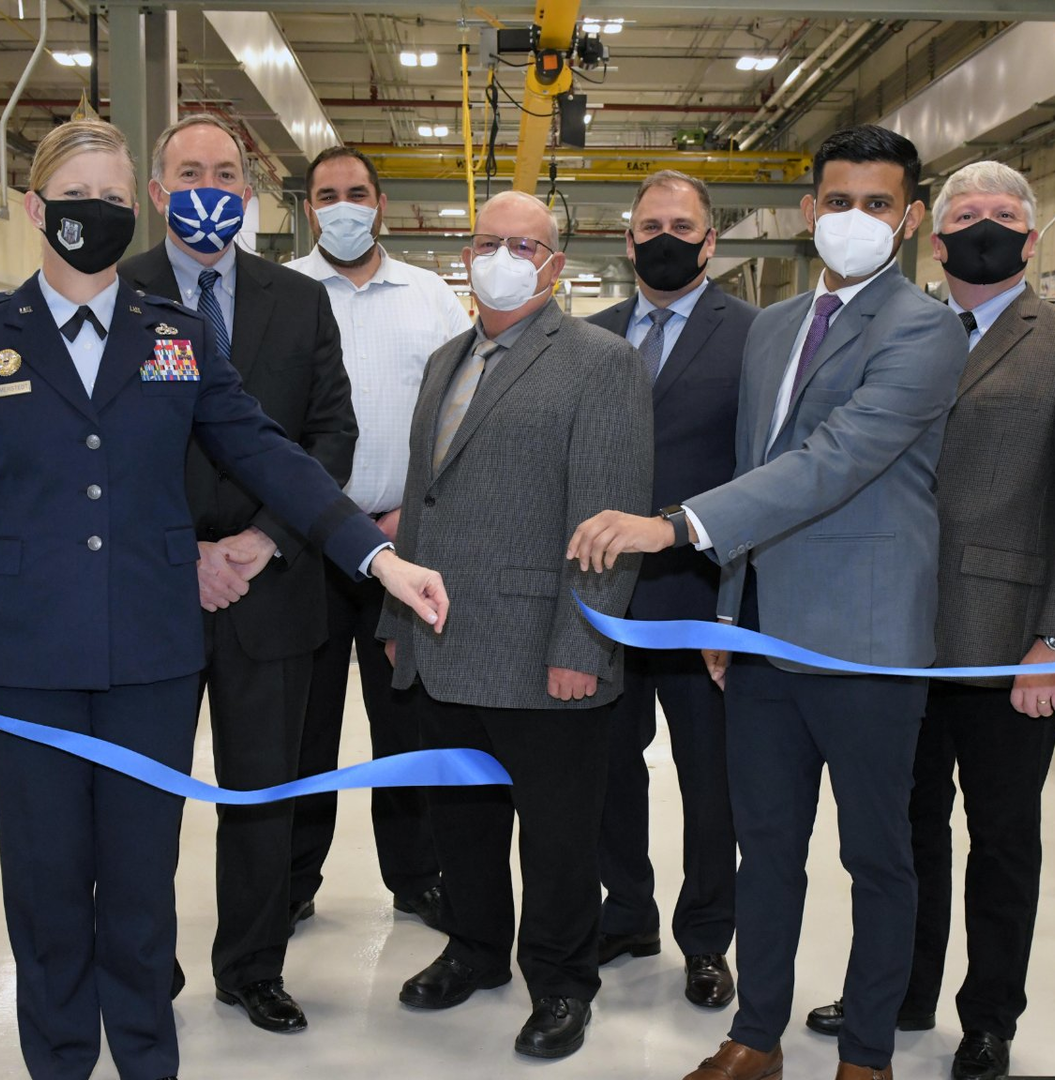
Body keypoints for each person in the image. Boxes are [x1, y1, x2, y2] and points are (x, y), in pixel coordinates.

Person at [0, 118, 449, 1080]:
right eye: (81, 196)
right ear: (37, 209)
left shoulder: (174, 338)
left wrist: (376, 558)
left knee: (137, 883)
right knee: (42, 884)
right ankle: (62, 1060)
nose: (100, 215)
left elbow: (269, 456)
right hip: (24, 657)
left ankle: (147, 1060)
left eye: (116, 200)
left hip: (151, 658)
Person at [567, 124, 968, 1080]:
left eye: (878, 205)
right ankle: (756, 1036)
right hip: (760, 637)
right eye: (838, 202)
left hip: (866, 642)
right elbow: (758, 465)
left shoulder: (924, 330)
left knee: (877, 858)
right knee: (767, 853)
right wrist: (729, 612)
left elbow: (834, 464)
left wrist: (674, 527)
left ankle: (866, 1053)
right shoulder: (778, 327)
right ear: (807, 213)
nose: (855, 220)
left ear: (910, 220)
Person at [803, 160, 1055, 1080]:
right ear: (934, 236)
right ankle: (901, 991)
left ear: (1031, 240)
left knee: (1001, 839)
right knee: (902, 832)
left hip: (1006, 647)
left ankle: (989, 1015)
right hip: (893, 639)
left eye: (1002, 215)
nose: (982, 226)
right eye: (964, 214)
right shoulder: (895, 331)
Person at [385, 190, 652, 1060]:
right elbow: (423, 507)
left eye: (524, 244)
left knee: (559, 835)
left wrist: (585, 644)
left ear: (554, 264)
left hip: (546, 649)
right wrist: (401, 617)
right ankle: (474, 949)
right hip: (444, 642)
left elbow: (607, 522)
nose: (503, 255)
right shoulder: (443, 361)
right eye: (488, 241)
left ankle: (563, 982)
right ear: (467, 253)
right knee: (460, 819)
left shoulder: (598, 362)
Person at [116, 115, 357, 1035]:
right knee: (144, 794)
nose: (207, 186)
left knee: (264, 793)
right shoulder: (113, 291)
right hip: (150, 587)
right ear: (155, 189)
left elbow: (329, 436)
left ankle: (253, 966)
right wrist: (184, 554)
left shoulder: (297, 302)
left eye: (225, 172)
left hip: (273, 582)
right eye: (189, 171)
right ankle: (143, 968)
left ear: (249, 193)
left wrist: (262, 539)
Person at [284, 145, 472, 932]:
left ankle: (417, 874)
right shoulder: (282, 294)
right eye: (328, 194)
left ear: (382, 202)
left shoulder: (430, 298)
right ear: (307, 207)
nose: (344, 207)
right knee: (301, 723)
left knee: (406, 718)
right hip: (302, 545)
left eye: (357, 192)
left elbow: (465, 415)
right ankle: (291, 878)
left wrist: (415, 520)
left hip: (404, 543)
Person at [585, 169, 755, 1009]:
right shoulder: (590, 334)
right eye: (649, 224)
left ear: (710, 240)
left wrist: (737, 606)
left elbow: (763, 476)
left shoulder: (755, 336)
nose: (664, 237)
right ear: (627, 240)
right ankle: (627, 911)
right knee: (611, 771)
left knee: (709, 781)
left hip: (700, 603)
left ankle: (705, 937)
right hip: (607, 601)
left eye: (682, 225)